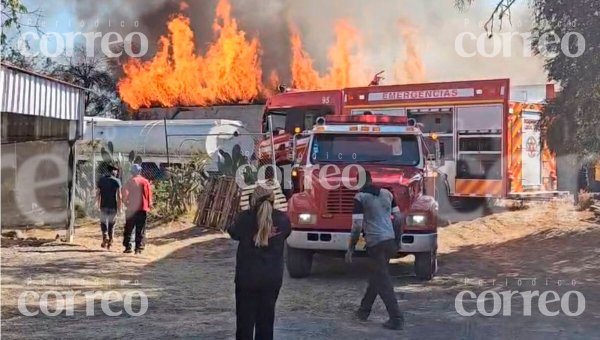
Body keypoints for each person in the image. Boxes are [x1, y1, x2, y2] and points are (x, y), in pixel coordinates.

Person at [227, 185, 291, 340]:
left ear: (252, 200)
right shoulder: (283, 220)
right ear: (273, 199)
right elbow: (287, 234)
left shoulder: (243, 218)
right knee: (266, 324)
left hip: (246, 278)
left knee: (244, 324)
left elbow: (232, 232)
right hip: (272, 278)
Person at [346, 170, 404, 330]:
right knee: (377, 276)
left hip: (375, 243)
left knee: (383, 281)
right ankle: (363, 311)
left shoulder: (360, 198)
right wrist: (398, 240)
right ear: (371, 179)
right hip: (390, 240)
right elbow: (398, 218)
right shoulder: (387, 193)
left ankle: (396, 318)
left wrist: (351, 247)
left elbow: (357, 225)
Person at [122, 164, 152, 254]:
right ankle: (138, 248)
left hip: (131, 208)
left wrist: (126, 202)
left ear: (132, 172)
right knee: (141, 228)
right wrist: (149, 205)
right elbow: (148, 195)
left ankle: (128, 247)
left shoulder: (130, 181)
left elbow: (125, 194)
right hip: (142, 208)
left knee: (129, 228)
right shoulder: (145, 181)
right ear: (140, 171)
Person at [96, 164, 121, 250]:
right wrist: (120, 208)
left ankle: (105, 236)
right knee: (112, 224)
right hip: (113, 206)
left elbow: (98, 193)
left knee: (103, 222)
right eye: (116, 170)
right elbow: (119, 196)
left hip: (103, 205)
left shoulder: (101, 180)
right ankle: (110, 241)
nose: (117, 172)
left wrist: (97, 204)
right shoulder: (117, 181)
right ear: (113, 171)